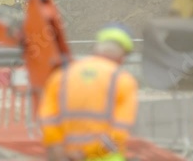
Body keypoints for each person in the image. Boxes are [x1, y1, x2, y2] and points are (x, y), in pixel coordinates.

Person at [37, 22, 138, 161]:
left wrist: (57, 147)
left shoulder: (62, 75)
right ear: (123, 55)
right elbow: (120, 130)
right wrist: (90, 153)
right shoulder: (123, 80)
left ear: (96, 47)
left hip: (65, 155)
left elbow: (47, 117)